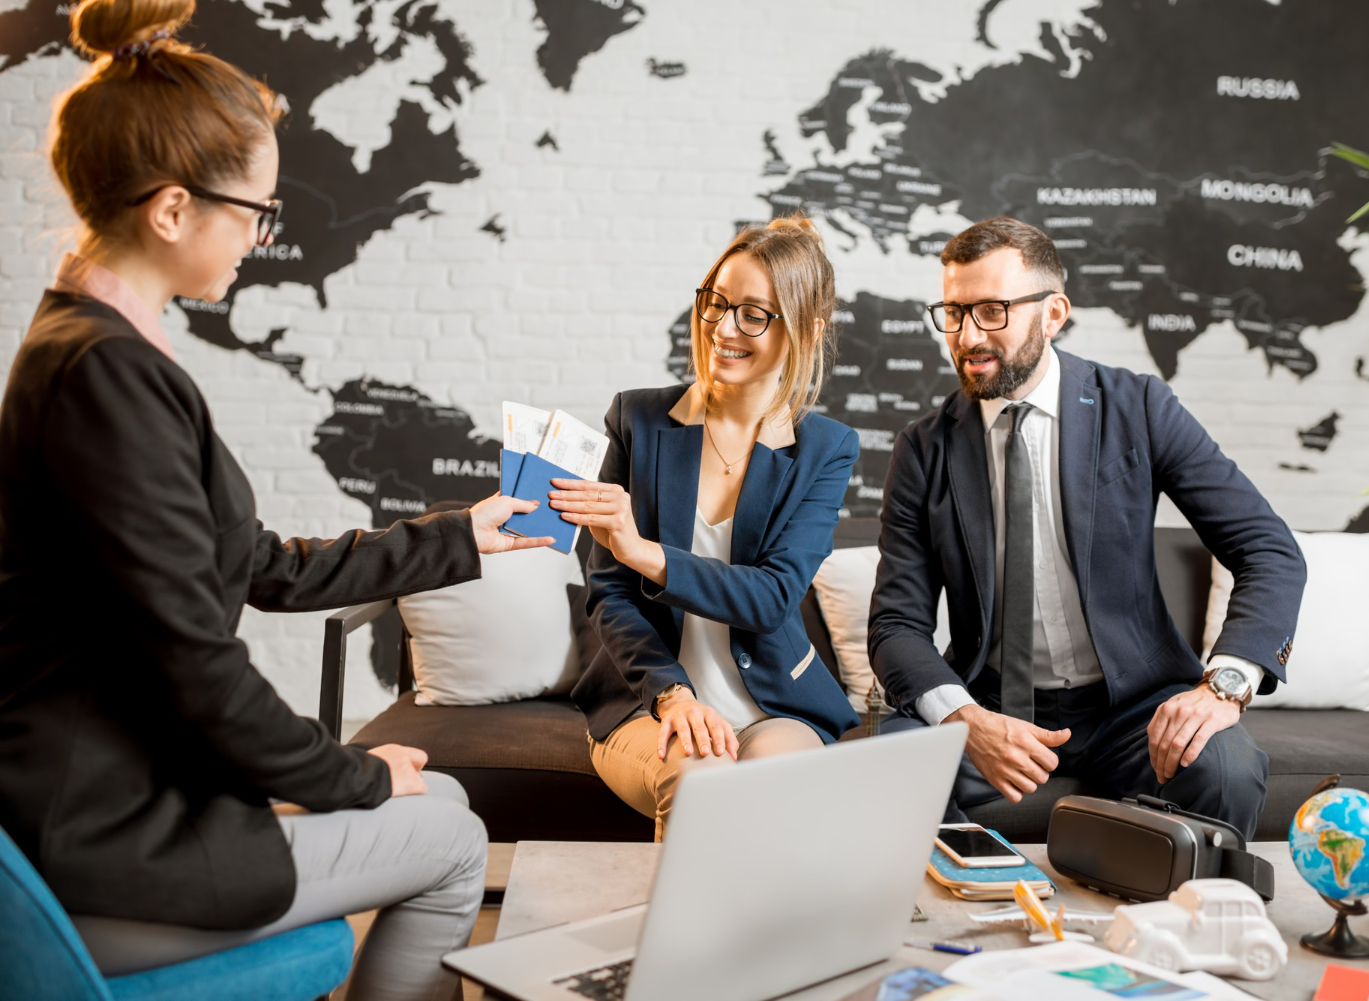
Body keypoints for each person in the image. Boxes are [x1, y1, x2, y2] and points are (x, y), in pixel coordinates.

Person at [0, 3, 555, 998]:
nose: (262, 233)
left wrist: (456, 536)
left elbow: (256, 563)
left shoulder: (95, 350)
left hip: (108, 807)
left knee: (440, 804)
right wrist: (356, 772)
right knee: (454, 834)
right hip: (101, 843)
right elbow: (195, 664)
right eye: (254, 209)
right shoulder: (105, 376)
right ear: (172, 209)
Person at [869, 216, 1305, 840]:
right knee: (884, 764)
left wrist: (1223, 687)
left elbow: (1269, 550)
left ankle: (1179, 928)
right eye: (954, 312)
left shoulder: (1139, 407)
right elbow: (896, 625)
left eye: (991, 310)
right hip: (990, 705)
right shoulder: (924, 448)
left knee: (1226, 771)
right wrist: (965, 718)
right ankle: (974, 920)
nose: (967, 336)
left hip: (1133, 711)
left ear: (1053, 314)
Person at [556, 217, 861, 841]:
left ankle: (773, 938)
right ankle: (681, 941)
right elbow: (609, 594)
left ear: (807, 330)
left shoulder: (825, 449)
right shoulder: (637, 420)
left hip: (774, 705)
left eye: (754, 314)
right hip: (652, 702)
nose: (723, 328)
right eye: (717, 302)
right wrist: (674, 696)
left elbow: (772, 596)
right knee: (703, 777)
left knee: (774, 792)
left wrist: (644, 552)